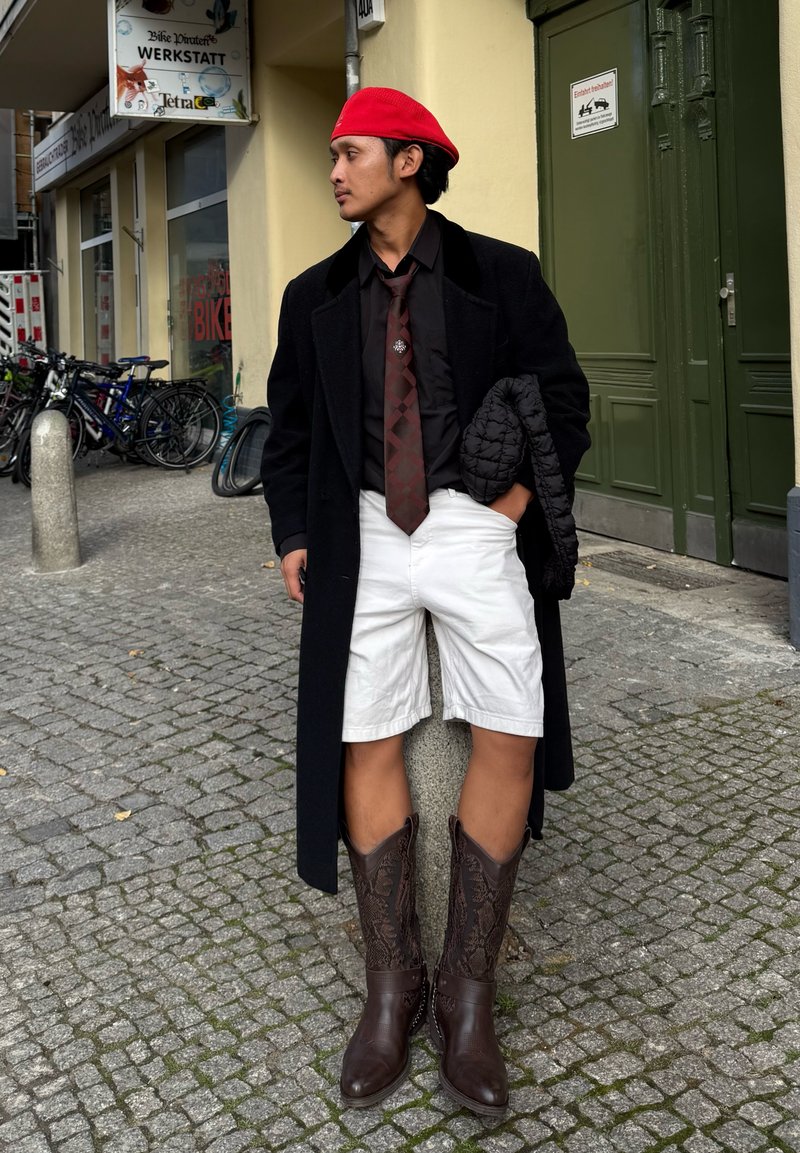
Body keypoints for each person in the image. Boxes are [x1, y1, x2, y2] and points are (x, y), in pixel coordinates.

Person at [261, 86, 590, 1117]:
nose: (333, 170)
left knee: (511, 728)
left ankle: (466, 993)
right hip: (360, 530)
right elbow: (289, 428)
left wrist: (513, 505)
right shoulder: (313, 295)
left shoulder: (504, 274)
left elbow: (566, 398)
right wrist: (295, 533)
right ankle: (391, 985)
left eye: (349, 152)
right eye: (331, 155)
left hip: (471, 523)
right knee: (363, 737)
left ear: (408, 161)